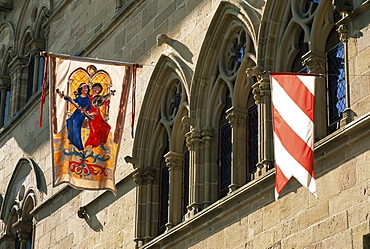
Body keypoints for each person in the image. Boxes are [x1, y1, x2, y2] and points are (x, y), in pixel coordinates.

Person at [58, 83, 91, 151]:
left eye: (87, 88)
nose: (86, 89)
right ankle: (72, 138)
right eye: (84, 88)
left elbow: (89, 106)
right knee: (69, 121)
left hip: (82, 113)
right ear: (81, 89)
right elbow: (72, 100)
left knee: (76, 124)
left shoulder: (87, 98)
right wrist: (64, 96)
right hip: (77, 110)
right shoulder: (79, 97)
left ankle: (79, 145)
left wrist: (84, 109)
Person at [85, 83, 112, 148]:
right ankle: (92, 144)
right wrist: (90, 113)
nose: (96, 90)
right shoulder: (88, 98)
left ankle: (100, 142)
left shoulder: (100, 97)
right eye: (95, 88)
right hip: (91, 116)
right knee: (96, 129)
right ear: (92, 88)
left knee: (107, 127)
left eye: (98, 89)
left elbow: (106, 104)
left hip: (98, 116)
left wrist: (108, 97)